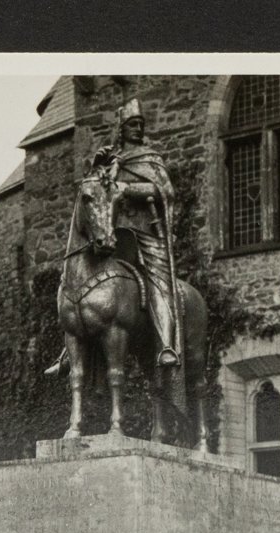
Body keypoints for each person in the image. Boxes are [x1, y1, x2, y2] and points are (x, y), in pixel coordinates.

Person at [89, 97, 181, 367]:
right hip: (113, 233)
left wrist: (127, 189)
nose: (138, 128)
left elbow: (165, 191)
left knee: (159, 282)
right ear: (121, 128)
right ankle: (67, 353)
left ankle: (166, 345)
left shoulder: (151, 158)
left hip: (145, 232)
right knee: (82, 276)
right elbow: (93, 194)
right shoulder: (110, 161)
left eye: (141, 124)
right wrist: (97, 168)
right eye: (132, 124)